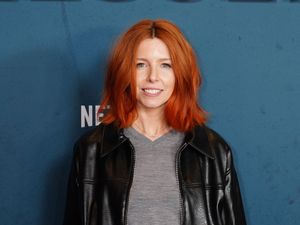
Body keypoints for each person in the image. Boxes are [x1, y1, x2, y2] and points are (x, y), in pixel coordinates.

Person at [63, 19, 247, 225]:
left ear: (181, 74)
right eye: (140, 65)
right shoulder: (91, 150)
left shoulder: (214, 150)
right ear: (124, 71)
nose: (153, 77)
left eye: (166, 65)